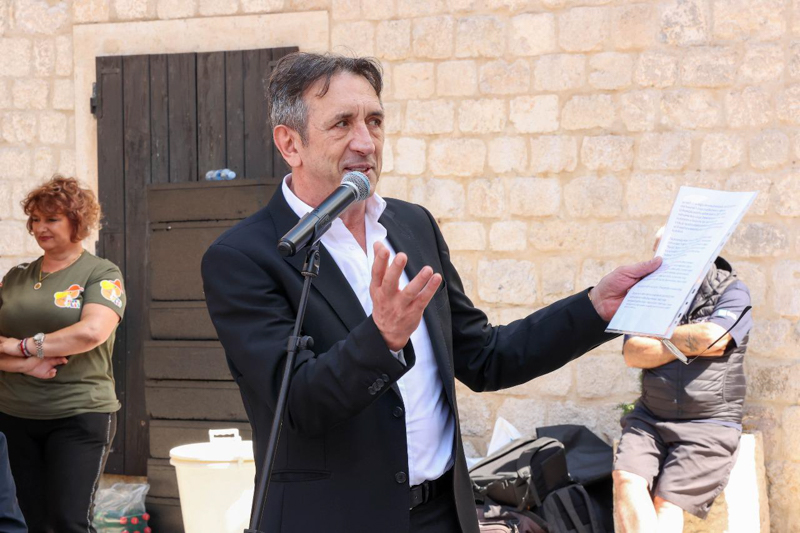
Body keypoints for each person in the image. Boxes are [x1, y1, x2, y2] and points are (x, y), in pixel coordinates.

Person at [201, 52, 661, 533]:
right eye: (342, 123)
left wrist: (595, 309)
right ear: (290, 143)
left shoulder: (411, 224)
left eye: (374, 121)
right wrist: (382, 339)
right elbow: (298, 404)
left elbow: (485, 357)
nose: (366, 142)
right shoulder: (245, 257)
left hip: (444, 514)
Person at [0, 175, 127, 533]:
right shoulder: (15, 277)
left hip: (78, 413)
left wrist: (22, 345)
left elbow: (91, 332)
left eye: (52, 219)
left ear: (78, 222)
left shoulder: (101, 273)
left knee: (68, 521)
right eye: (35, 219)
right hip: (13, 417)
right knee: (29, 522)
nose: (40, 227)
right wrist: (25, 366)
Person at [613, 230, 753, 533]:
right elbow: (632, 353)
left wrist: (658, 336)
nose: (665, 264)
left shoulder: (732, 291)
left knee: (666, 503)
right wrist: (686, 343)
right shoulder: (650, 294)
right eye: (661, 256)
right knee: (626, 479)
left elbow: (714, 338)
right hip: (650, 418)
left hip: (709, 424)